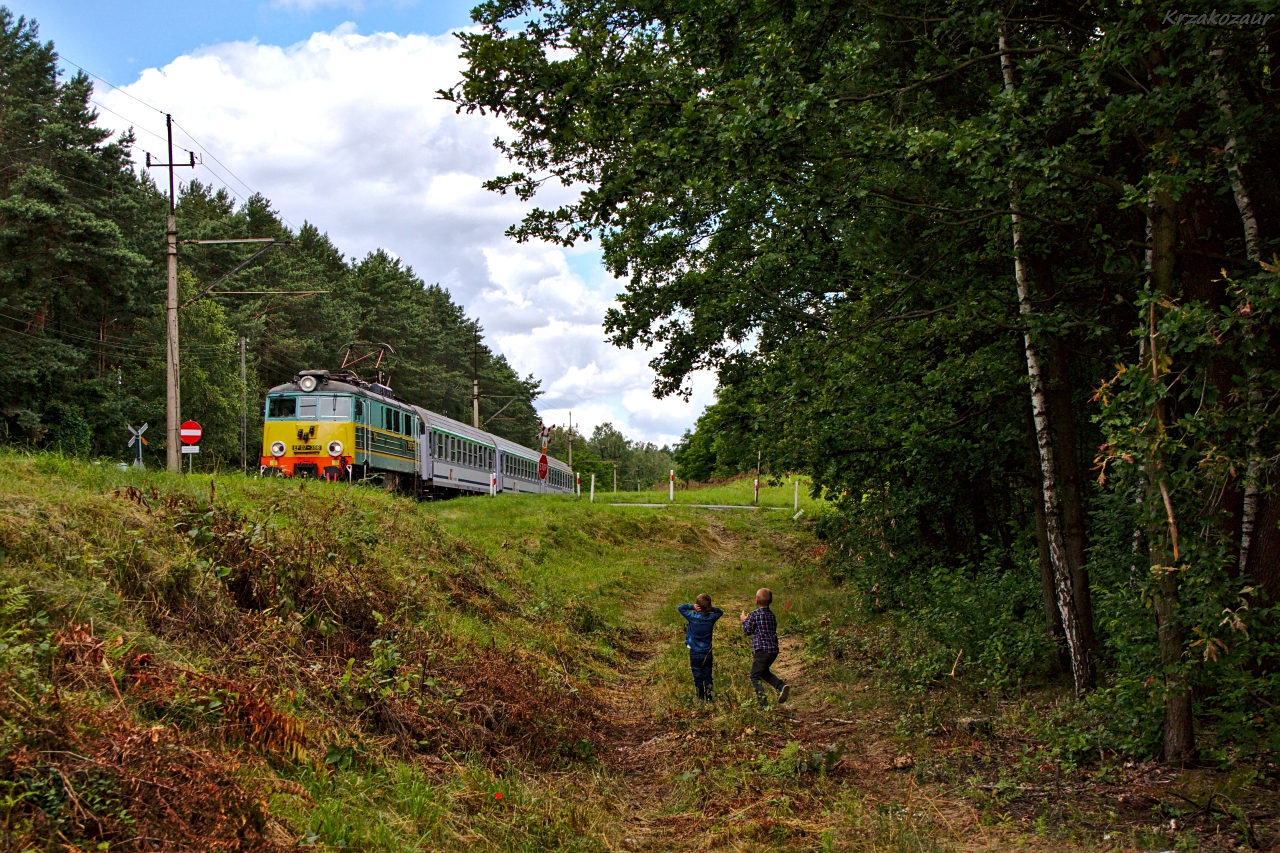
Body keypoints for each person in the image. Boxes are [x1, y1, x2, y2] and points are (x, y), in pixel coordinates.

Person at [741, 587, 790, 705]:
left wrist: (744, 620)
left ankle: (764, 704)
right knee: (763, 672)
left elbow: (748, 631)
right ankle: (781, 686)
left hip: (762, 650)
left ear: (756, 601)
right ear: (770, 601)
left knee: (754, 675)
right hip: (773, 650)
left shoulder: (754, 614)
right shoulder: (772, 615)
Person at [677, 594, 723, 702]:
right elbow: (720, 612)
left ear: (698, 606)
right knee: (708, 675)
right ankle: (709, 697)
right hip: (707, 651)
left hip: (695, 651)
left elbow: (681, 608)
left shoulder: (692, 617)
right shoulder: (712, 618)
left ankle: (700, 697)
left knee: (697, 675)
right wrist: (712, 609)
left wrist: (691, 606)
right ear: (709, 606)